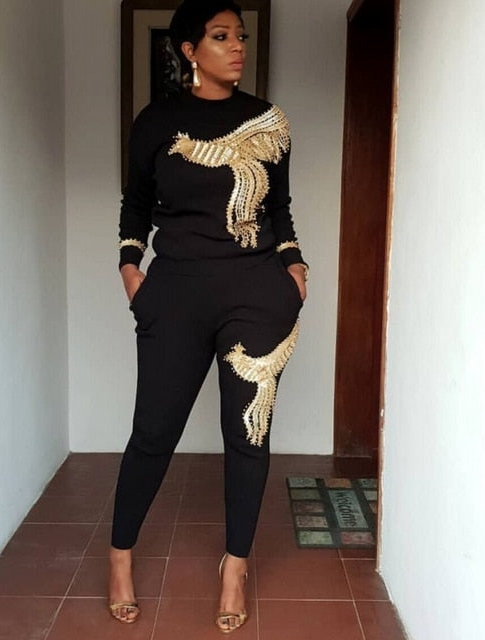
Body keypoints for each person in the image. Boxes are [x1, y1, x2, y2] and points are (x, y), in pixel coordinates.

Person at [109, 0, 309, 632]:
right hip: (175, 294)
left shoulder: (268, 121)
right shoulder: (156, 122)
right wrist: (130, 270)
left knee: (247, 439)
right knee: (153, 433)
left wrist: (295, 267)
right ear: (189, 50)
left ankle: (235, 568)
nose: (237, 46)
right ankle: (120, 557)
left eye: (240, 35)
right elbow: (135, 203)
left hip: (258, 293)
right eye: (221, 36)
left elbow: (279, 207)